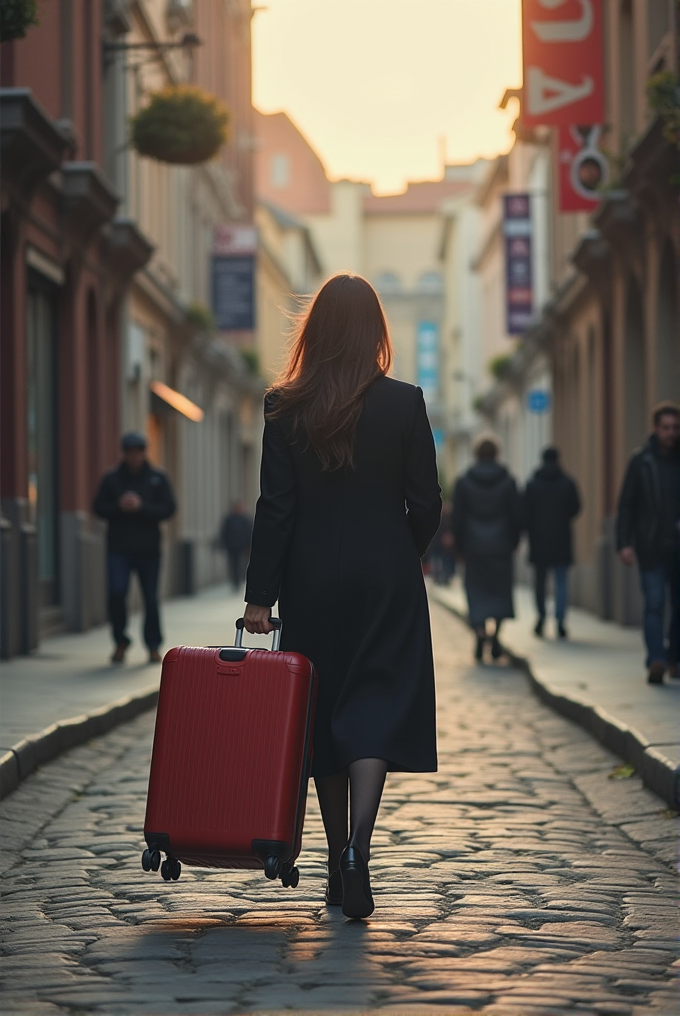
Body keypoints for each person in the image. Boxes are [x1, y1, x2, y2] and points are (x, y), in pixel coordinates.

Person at [242, 273, 441, 920]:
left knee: (321, 713)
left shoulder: (283, 405)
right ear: (376, 332)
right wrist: (402, 550)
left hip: (310, 578)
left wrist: (260, 598)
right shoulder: (405, 402)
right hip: (387, 573)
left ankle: (334, 860)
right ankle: (358, 847)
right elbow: (428, 502)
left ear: (316, 330)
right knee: (376, 703)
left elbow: (275, 508)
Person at [93, 432, 176, 665]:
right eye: (130, 452)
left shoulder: (157, 478)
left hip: (149, 551)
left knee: (150, 599)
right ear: (125, 454)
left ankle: (152, 645)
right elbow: (99, 507)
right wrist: (119, 506)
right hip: (119, 549)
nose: (134, 456)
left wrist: (141, 507)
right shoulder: (112, 479)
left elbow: (169, 508)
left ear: (143, 453)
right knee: (117, 593)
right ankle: (120, 640)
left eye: (138, 451)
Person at [616, 402, 680, 685]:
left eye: (675, 428)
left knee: (678, 605)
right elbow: (626, 504)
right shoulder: (641, 461)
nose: (671, 433)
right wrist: (624, 543)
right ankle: (656, 659)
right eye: (665, 428)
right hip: (651, 545)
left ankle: (674, 658)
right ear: (656, 428)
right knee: (654, 603)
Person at [452, 436, 521, 663]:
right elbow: (516, 516)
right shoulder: (508, 481)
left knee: (477, 592)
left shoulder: (464, 482)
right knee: (500, 594)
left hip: (474, 548)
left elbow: (458, 518)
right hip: (500, 547)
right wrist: (514, 541)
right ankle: (496, 635)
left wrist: (459, 546)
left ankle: (481, 632)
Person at [524, 447, 581, 639]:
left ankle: (541, 617)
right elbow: (576, 508)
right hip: (561, 541)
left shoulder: (532, 484)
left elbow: (525, 514)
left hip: (539, 542)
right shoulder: (567, 483)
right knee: (561, 582)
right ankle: (560, 621)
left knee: (539, 583)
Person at [219, 501, 253, 591]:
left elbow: (250, 533)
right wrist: (224, 544)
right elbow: (224, 533)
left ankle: (239, 580)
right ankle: (234, 581)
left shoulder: (246, 519)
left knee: (241, 564)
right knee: (233, 564)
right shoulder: (229, 519)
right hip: (231, 546)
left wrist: (248, 545)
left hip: (242, 547)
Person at [427, 501, 456, 586]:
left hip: (439, 543)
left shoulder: (444, 517)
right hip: (437, 543)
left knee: (442, 559)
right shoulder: (445, 516)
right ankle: (439, 576)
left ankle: (442, 577)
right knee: (438, 559)